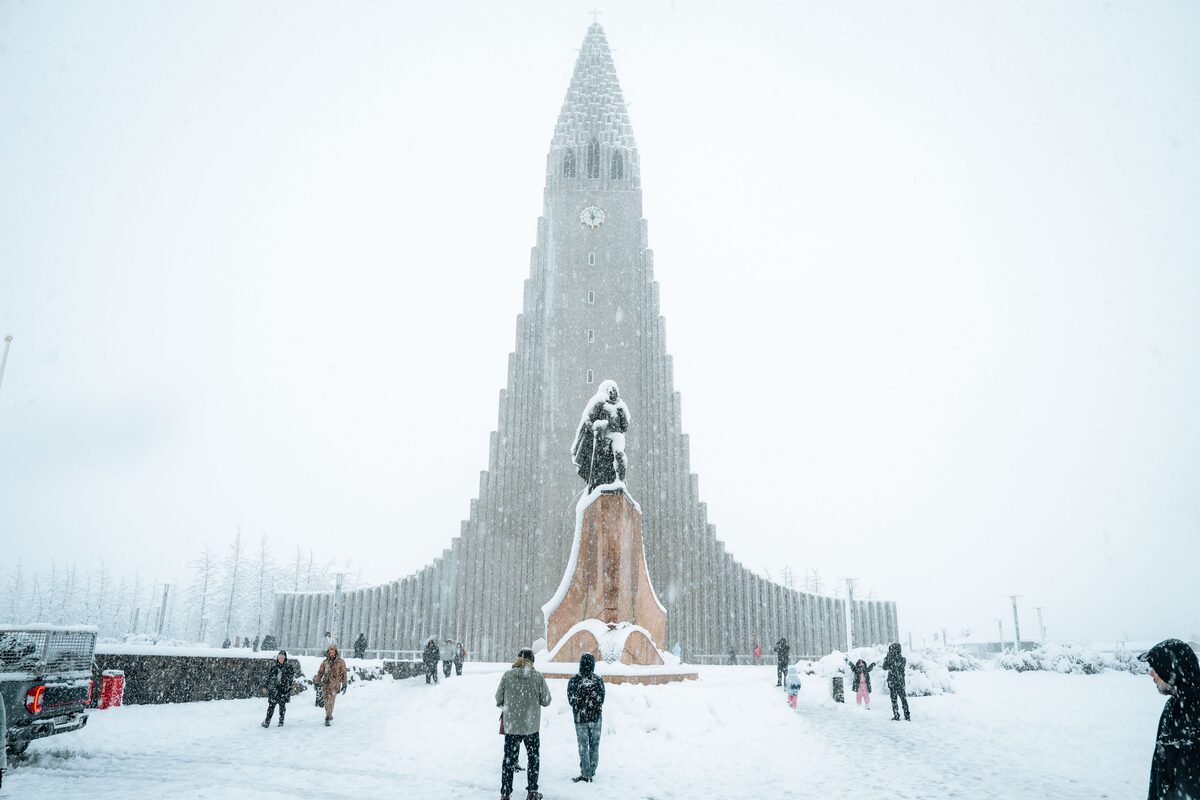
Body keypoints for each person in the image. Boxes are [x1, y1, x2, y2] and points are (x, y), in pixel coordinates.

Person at [1139, 639, 1200, 799]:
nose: (1151, 674)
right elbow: (1160, 765)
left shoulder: (1195, 710)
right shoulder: (1172, 707)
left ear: (1171, 672)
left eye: (1155, 669)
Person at [496, 648, 552, 800]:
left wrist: (511, 706)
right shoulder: (537, 677)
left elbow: (498, 699)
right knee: (533, 758)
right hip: (531, 727)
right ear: (532, 660)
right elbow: (546, 700)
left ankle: (506, 793)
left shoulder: (507, 675)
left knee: (508, 759)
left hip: (512, 726)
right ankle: (532, 791)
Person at [567, 653, 606, 783]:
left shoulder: (574, 680)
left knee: (583, 746)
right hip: (596, 718)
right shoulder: (598, 680)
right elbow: (602, 699)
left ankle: (585, 773)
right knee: (594, 746)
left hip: (580, 719)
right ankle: (592, 770)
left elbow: (571, 700)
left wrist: (580, 706)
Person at [314, 643, 348, 726]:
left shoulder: (340, 662)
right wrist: (317, 682)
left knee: (331, 701)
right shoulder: (325, 662)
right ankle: (328, 715)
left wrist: (344, 684)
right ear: (328, 652)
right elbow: (320, 672)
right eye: (330, 651)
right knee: (326, 701)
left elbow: (344, 673)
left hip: (335, 685)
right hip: (325, 684)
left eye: (333, 651)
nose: (331, 653)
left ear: (335, 652)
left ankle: (328, 717)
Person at [261, 650, 296, 728]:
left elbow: (291, 679)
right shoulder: (274, 667)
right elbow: (269, 678)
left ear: (285, 658)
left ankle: (281, 721)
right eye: (279, 657)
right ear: (277, 658)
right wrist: (266, 686)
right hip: (274, 690)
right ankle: (267, 722)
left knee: (282, 706)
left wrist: (289, 686)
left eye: (282, 657)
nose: (280, 658)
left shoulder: (289, 667)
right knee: (271, 706)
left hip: (284, 690)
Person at [882, 643, 910, 721]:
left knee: (895, 700)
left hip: (893, 682)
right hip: (899, 682)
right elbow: (884, 667)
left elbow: (885, 667)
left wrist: (888, 657)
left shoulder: (891, 659)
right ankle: (906, 715)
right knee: (903, 699)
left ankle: (896, 715)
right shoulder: (902, 659)